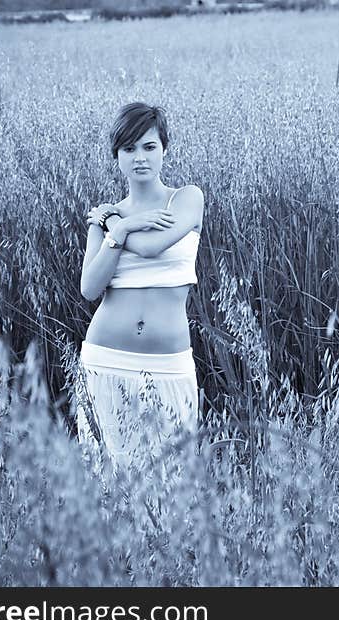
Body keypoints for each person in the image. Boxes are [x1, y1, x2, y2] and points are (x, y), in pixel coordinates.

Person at [75, 102, 203, 476]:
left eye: (149, 147)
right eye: (128, 149)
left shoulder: (186, 199)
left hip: (169, 365)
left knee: (172, 483)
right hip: (105, 361)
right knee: (106, 486)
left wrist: (120, 224)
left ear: (164, 148)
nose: (139, 158)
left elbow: (152, 246)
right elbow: (89, 288)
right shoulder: (105, 219)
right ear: (116, 156)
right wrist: (118, 229)